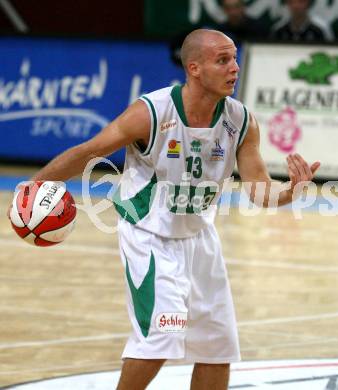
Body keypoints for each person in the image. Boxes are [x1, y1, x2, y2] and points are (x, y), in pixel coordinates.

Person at [9, 29, 320, 389]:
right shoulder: (152, 112)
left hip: (201, 239)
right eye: (223, 60)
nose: (234, 67)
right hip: (150, 237)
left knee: (217, 349)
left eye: (235, 58)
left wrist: (290, 193)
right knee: (159, 342)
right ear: (194, 68)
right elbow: (90, 150)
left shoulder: (241, 120)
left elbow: (258, 189)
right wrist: (32, 186)